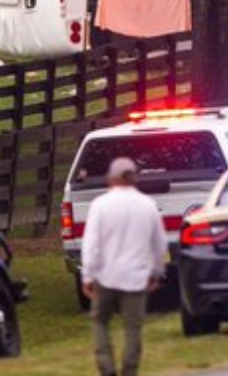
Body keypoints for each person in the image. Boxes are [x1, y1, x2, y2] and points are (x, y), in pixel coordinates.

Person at [82, 157, 167, 376]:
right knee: (133, 327)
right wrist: (156, 271)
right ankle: (130, 370)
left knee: (100, 321)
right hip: (135, 277)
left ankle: (107, 367)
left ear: (112, 178)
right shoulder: (147, 204)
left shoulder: (100, 205)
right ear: (134, 178)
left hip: (105, 276)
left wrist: (88, 275)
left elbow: (91, 244)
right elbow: (159, 243)